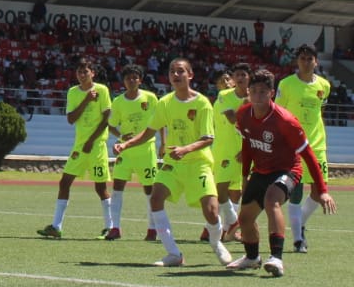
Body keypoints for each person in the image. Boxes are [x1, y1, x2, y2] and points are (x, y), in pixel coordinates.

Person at [114, 58, 229, 267]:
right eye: (172, 72)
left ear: (190, 75)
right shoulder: (165, 102)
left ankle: (216, 242)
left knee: (211, 210)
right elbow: (149, 132)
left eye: (180, 72)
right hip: (173, 164)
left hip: (198, 163)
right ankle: (173, 253)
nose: (175, 75)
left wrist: (185, 150)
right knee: (156, 198)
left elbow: (208, 138)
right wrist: (126, 144)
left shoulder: (202, 102)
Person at [226, 67, 335, 277]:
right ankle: (251, 257)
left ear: (272, 93)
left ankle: (276, 258)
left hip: (288, 169)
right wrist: (244, 176)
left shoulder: (285, 120)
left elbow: (309, 155)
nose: (258, 95)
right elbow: (247, 144)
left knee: (271, 200)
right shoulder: (243, 114)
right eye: (254, 91)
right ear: (248, 92)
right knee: (246, 218)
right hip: (261, 170)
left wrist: (321, 190)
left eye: (263, 91)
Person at [38, 58, 115, 240]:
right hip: (79, 147)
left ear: (92, 73)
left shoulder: (102, 90)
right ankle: (56, 226)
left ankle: (111, 227)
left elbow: (106, 120)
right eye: (79, 72)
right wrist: (87, 100)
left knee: (100, 187)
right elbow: (71, 119)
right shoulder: (73, 92)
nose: (82, 75)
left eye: (85, 71)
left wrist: (91, 140)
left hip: (96, 147)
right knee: (64, 182)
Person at [276, 44, 331, 253]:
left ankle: (300, 224)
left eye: (310, 59)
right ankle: (298, 239)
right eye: (302, 58)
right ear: (297, 61)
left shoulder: (324, 85)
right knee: (296, 192)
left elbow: (320, 111)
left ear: (316, 61)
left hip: (317, 146)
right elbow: (279, 113)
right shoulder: (286, 84)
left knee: (319, 191)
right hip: (293, 146)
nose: (306, 62)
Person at [104, 63, 161, 242]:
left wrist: (164, 143)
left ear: (140, 80)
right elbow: (111, 124)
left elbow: (161, 120)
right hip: (126, 151)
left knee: (149, 188)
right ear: (124, 81)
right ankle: (115, 228)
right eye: (129, 78)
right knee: (118, 187)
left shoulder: (150, 98)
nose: (132, 81)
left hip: (146, 150)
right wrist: (121, 135)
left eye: (135, 77)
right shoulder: (119, 101)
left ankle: (152, 229)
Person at [208, 63, 251, 243]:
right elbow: (234, 119)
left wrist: (247, 149)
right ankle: (231, 223)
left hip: (244, 149)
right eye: (237, 75)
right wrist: (248, 103)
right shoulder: (224, 96)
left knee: (239, 191)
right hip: (224, 149)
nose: (239, 78)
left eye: (243, 75)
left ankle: (227, 230)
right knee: (220, 189)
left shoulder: (256, 96)